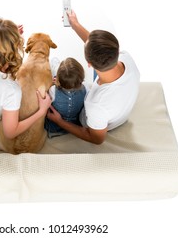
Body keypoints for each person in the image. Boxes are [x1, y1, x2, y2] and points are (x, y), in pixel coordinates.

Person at [47, 10, 140, 144]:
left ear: (89, 64)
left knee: (57, 72)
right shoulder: (126, 58)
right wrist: (75, 25)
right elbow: (97, 47)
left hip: (96, 120)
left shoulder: (96, 105)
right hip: (119, 106)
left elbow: (96, 139)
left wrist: (59, 121)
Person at [45, 57, 86, 138]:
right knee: (55, 62)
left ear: (58, 80)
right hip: (75, 125)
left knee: (54, 61)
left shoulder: (52, 90)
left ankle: (55, 66)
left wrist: (51, 83)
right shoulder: (85, 89)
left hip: (54, 127)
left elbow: (46, 100)